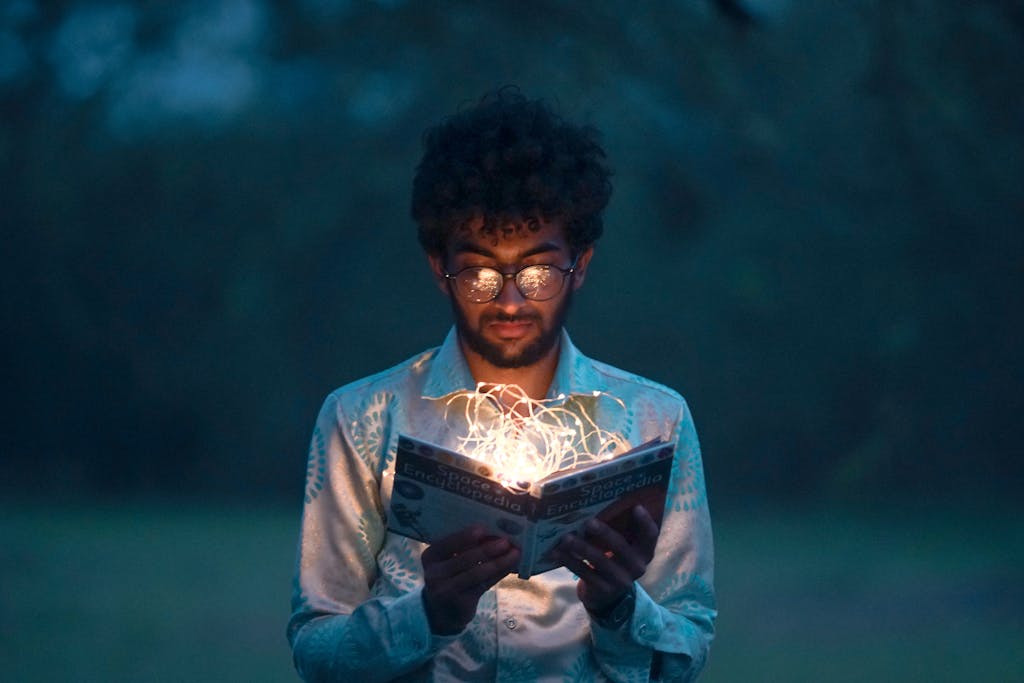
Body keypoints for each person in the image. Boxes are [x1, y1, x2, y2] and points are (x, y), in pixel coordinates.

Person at [287, 88, 716, 682]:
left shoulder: (653, 422)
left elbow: (687, 651)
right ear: (440, 268)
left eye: (538, 271)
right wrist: (430, 613)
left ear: (580, 266)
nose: (510, 300)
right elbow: (317, 651)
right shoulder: (364, 418)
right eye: (481, 271)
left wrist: (619, 607)